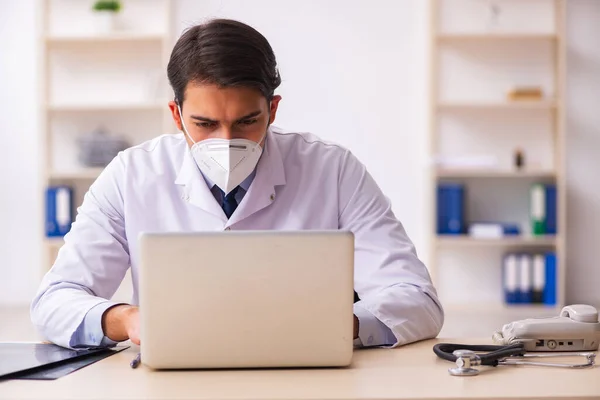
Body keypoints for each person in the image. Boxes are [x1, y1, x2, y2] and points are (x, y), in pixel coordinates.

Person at [31, 19, 444, 349]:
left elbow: (417, 299)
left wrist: (335, 326)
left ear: (273, 110)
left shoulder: (333, 170)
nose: (226, 142)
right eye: (205, 124)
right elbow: (54, 300)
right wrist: (126, 319)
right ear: (176, 116)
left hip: (308, 375)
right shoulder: (131, 174)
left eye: (247, 121)